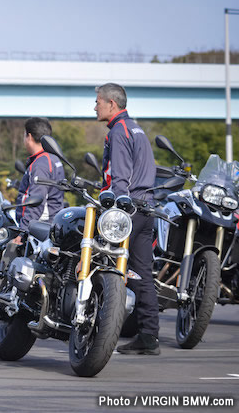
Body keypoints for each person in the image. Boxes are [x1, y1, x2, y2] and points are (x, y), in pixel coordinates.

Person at [94, 83, 159, 356]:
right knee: (143, 274)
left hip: (128, 210)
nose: (94, 106)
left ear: (111, 103)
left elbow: (120, 177)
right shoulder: (137, 128)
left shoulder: (119, 132)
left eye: (97, 101)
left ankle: (100, 327)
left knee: (103, 263)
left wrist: (113, 210)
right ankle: (149, 336)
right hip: (147, 209)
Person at [13, 118, 65, 240]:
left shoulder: (41, 163)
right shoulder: (52, 158)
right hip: (48, 224)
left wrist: (23, 233)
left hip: (39, 229)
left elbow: (37, 201)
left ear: (29, 136)